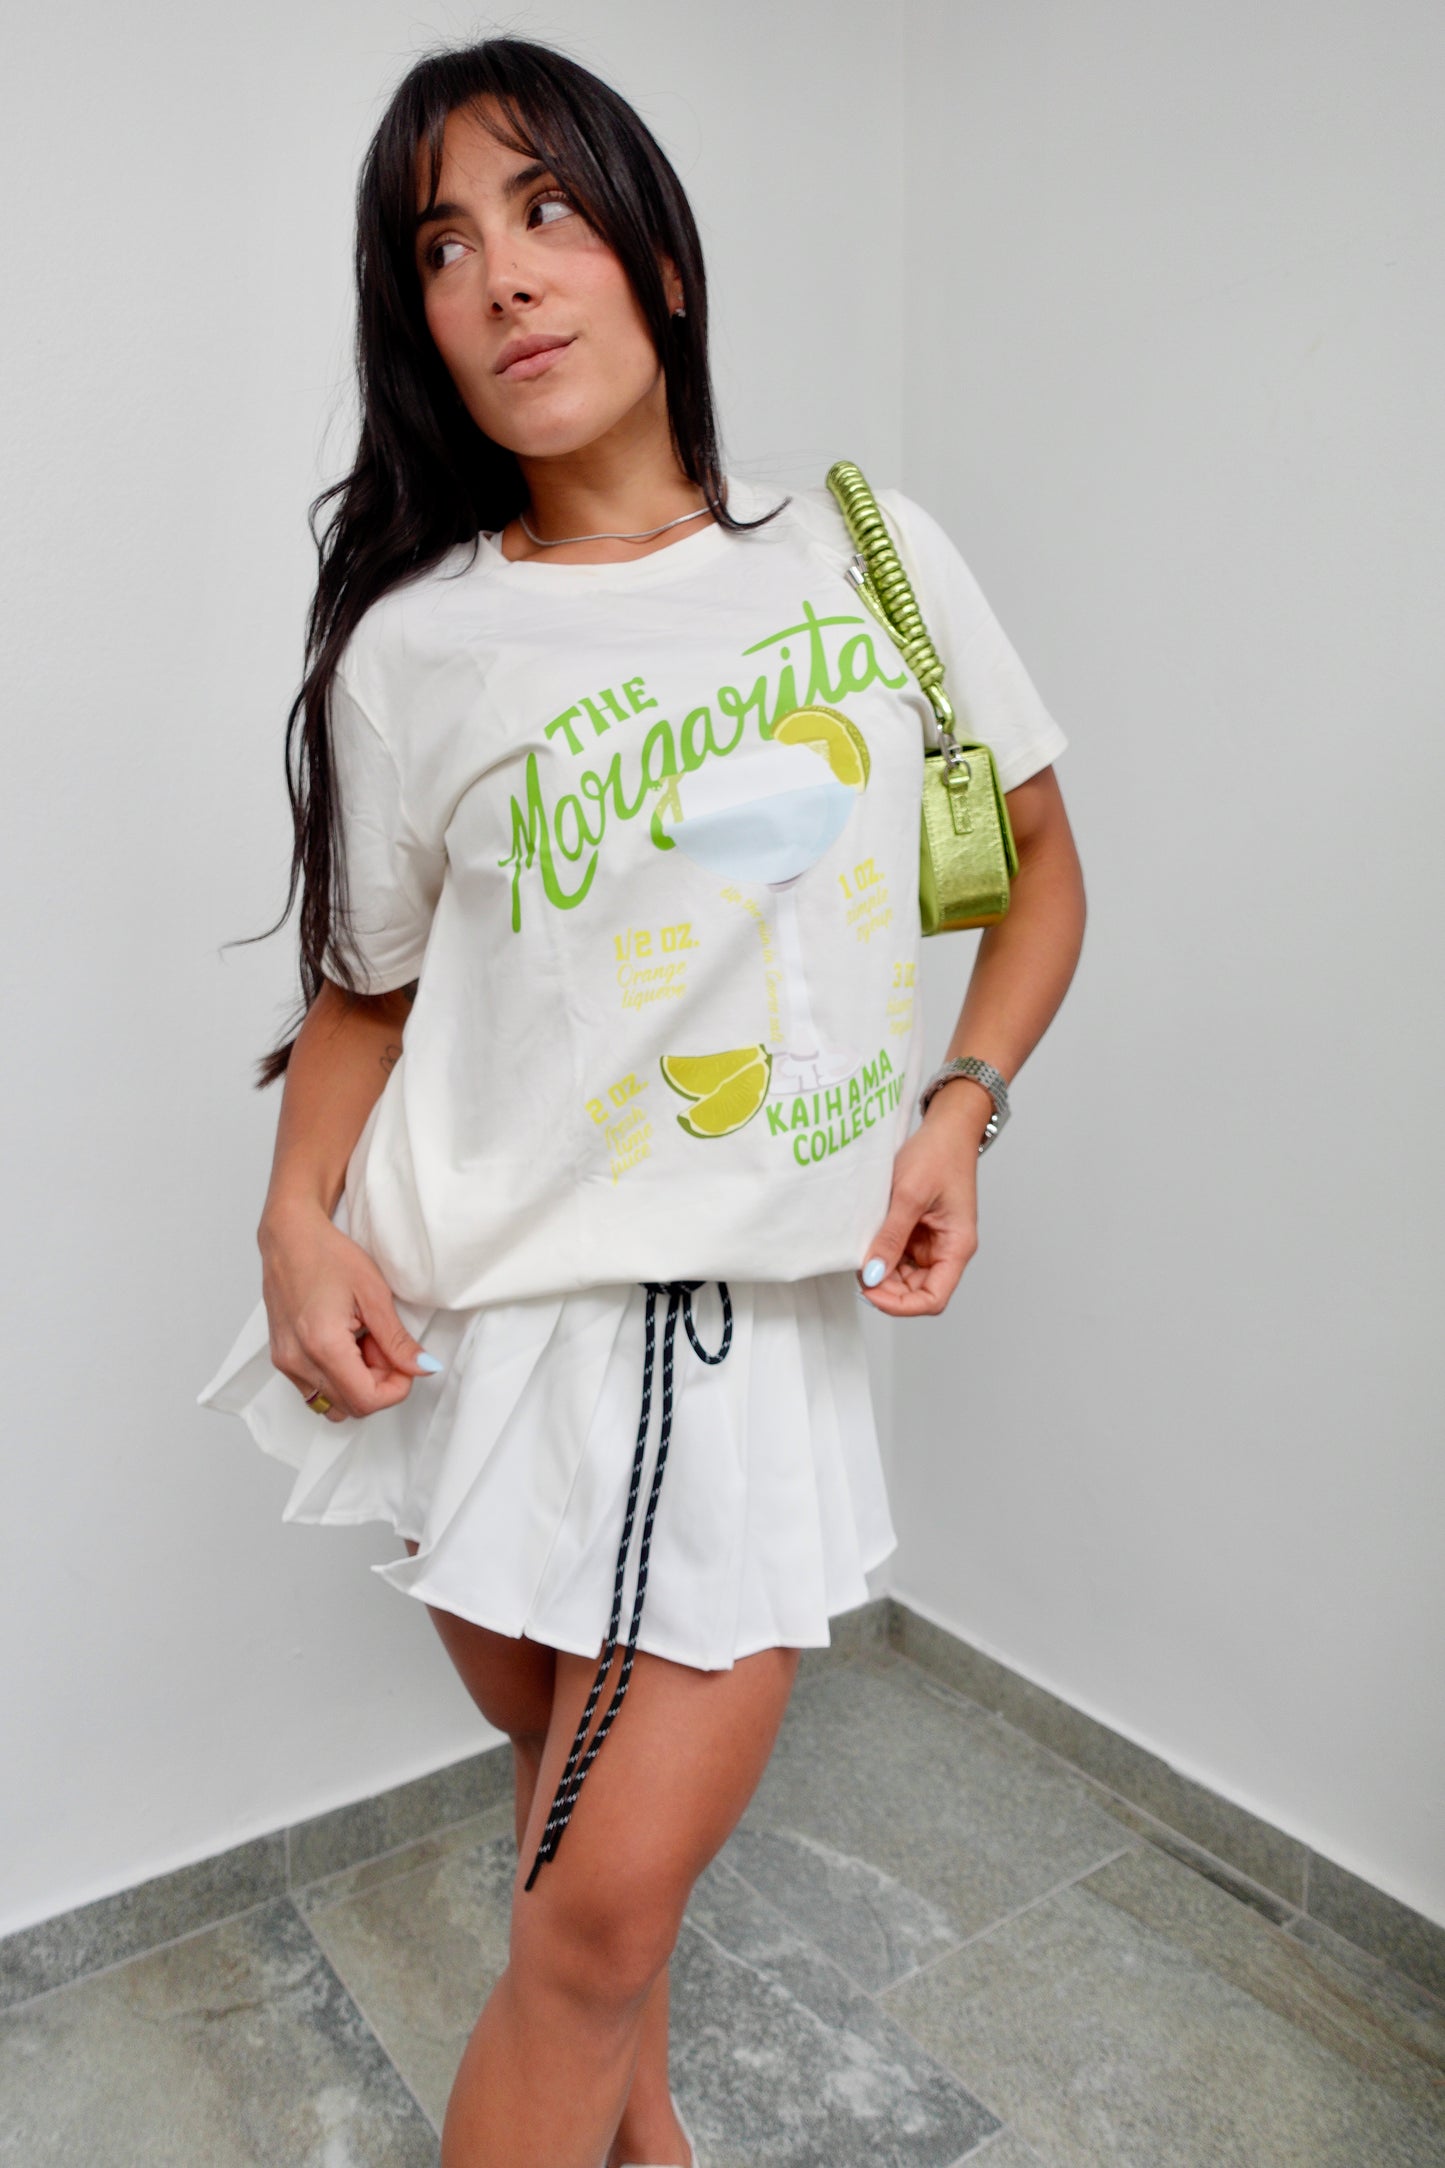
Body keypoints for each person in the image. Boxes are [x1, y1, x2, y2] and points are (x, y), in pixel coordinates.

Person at [195, 33, 1086, 2168]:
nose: (502, 275)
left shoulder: (863, 555)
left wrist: (959, 1106)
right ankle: (647, 2131)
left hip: (725, 1330)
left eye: (547, 211)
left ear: (658, 260)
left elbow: (1039, 868)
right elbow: (368, 991)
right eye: (442, 247)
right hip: (481, 1332)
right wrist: (292, 1220)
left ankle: (638, 2128)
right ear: (419, 324)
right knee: (585, 1891)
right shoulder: (419, 648)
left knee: (585, 1913)